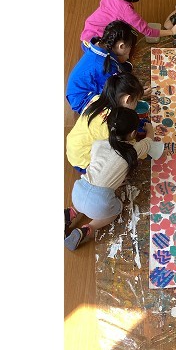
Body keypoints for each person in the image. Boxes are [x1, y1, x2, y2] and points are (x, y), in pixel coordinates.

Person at [64, 107, 155, 251]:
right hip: (100, 203)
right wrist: (149, 128)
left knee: (86, 198)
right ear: (133, 133)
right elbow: (150, 140)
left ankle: (71, 212)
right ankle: (88, 228)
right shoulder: (133, 151)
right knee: (117, 209)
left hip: (78, 190)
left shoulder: (97, 144)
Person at [66, 73, 145, 174]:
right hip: (84, 161)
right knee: (123, 163)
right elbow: (124, 148)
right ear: (128, 99)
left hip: (74, 146)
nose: (137, 104)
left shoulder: (97, 98)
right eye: (136, 101)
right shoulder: (111, 124)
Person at [66, 20, 138, 114]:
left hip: (78, 88)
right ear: (121, 46)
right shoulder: (106, 68)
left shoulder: (100, 44)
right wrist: (134, 94)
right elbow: (112, 91)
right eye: (129, 49)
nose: (128, 55)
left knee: (125, 68)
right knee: (120, 107)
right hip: (82, 100)